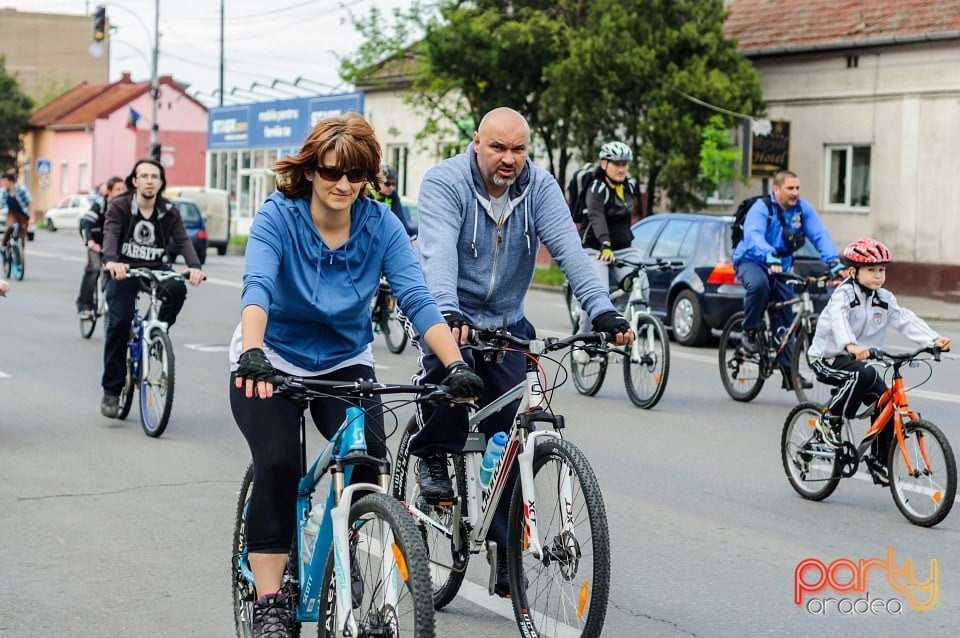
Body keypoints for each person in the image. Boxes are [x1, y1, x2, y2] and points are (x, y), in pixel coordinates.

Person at [228, 112, 483, 638]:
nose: (343, 185)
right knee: (278, 464)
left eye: (356, 174)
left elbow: (416, 297)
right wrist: (253, 350)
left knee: (366, 461)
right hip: (271, 357)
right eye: (331, 172)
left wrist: (454, 364)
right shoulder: (279, 215)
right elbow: (258, 285)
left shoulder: (382, 224)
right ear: (310, 170)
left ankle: (345, 562)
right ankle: (271, 600)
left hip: (345, 360)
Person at [409, 106, 633, 598]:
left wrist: (603, 311)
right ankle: (430, 455)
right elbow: (439, 250)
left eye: (518, 149)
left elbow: (572, 253)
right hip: (451, 319)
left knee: (510, 435)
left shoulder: (540, 189)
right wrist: (448, 314)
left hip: (508, 323)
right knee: (452, 392)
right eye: (498, 147)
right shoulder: (445, 183)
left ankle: (507, 550)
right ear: (476, 142)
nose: (508, 159)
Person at [808, 238, 951, 482]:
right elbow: (837, 319)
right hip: (827, 356)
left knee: (886, 401)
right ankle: (829, 420)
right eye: (871, 270)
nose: (878, 276)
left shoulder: (883, 298)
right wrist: (850, 345)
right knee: (864, 374)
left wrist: (933, 339)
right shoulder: (843, 294)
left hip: (860, 360)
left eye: (882, 270)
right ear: (853, 271)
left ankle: (878, 460)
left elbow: (904, 319)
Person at [99, 159, 204, 418]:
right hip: (123, 270)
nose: (149, 180)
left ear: (161, 182)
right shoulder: (119, 206)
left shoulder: (169, 210)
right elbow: (110, 235)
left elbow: (182, 239)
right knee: (119, 324)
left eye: (154, 176)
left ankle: (155, 328)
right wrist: (111, 261)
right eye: (143, 176)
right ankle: (112, 391)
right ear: (134, 181)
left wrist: (194, 266)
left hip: (155, 267)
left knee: (178, 289)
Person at [732, 169, 843, 389]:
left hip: (781, 265)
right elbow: (753, 234)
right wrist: (767, 253)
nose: (795, 193)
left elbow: (819, 235)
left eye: (798, 188)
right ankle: (750, 333)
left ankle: (790, 374)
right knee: (759, 285)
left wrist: (834, 262)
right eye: (790, 188)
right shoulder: (762, 208)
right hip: (753, 260)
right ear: (777, 189)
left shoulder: (802, 209)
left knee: (785, 318)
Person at [576, 141, 644, 340]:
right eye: (616, 164)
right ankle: (584, 336)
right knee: (597, 292)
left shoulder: (629, 186)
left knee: (643, 281)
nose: (621, 168)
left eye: (624, 164)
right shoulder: (597, 188)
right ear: (604, 165)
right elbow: (596, 217)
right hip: (596, 248)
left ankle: (637, 328)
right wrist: (605, 244)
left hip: (622, 248)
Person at [76, 176, 126, 315]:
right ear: (109, 192)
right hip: (96, 243)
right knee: (94, 269)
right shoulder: (100, 204)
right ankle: (85, 305)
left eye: (123, 189)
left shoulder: (126, 207)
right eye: (118, 189)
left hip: (114, 246)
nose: (121, 192)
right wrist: (90, 243)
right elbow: (85, 223)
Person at [370, 164, 415, 238]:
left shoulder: (393, 195)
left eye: (394, 184)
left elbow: (400, 218)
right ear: (377, 181)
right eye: (387, 184)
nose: (391, 187)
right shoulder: (367, 195)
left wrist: (411, 237)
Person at [0, 171, 32, 262]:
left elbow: (29, 201)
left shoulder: (21, 189)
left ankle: (19, 255)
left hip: (22, 215)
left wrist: (31, 215)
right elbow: (1, 203)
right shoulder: (3, 192)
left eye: (4, 181)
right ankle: (3, 246)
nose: (3, 183)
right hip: (11, 214)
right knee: (10, 227)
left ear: (10, 181)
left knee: (22, 237)